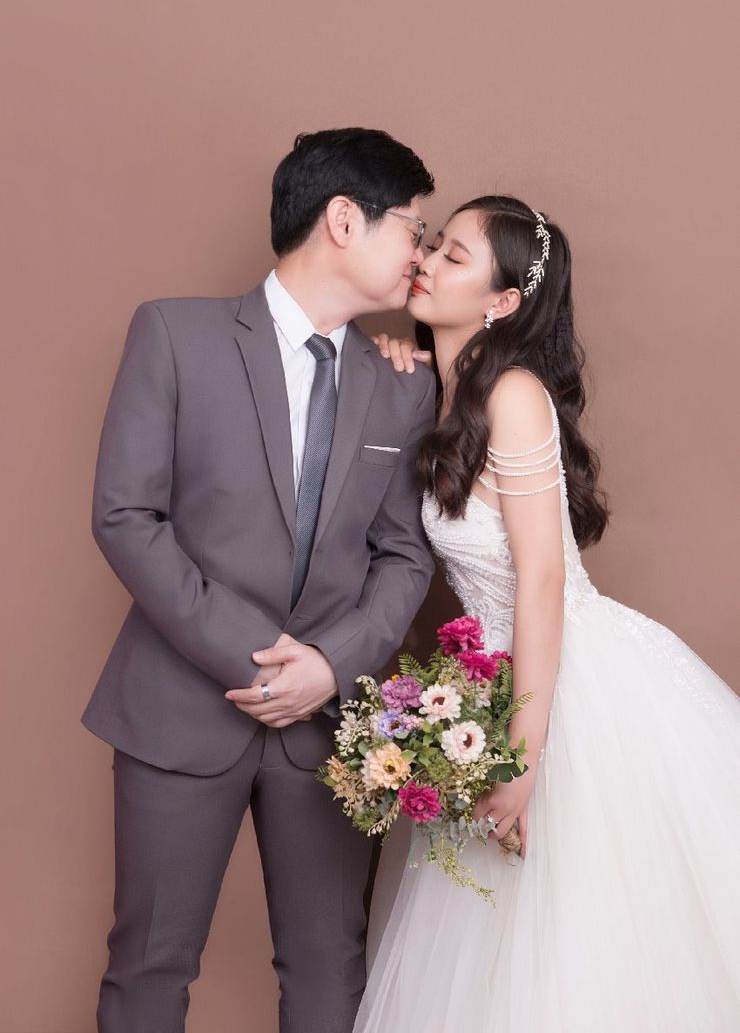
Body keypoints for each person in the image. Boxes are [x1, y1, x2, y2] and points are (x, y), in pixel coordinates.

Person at [81, 127, 439, 1033]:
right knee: (149, 965)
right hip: (177, 708)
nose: (422, 253)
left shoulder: (404, 385)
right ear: (345, 220)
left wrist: (331, 665)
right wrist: (255, 654)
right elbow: (125, 515)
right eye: (414, 228)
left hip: (331, 727)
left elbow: (405, 554)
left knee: (330, 971)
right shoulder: (174, 334)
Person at [354, 194, 740, 1032]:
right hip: (487, 684)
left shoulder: (515, 393)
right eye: (435, 245)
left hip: (560, 684)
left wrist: (523, 757)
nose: (427, 261)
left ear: (502, 302)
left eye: (454, 256)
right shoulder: (442, 395)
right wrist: (396, 364)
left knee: (582, 939)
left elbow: (542, 580)